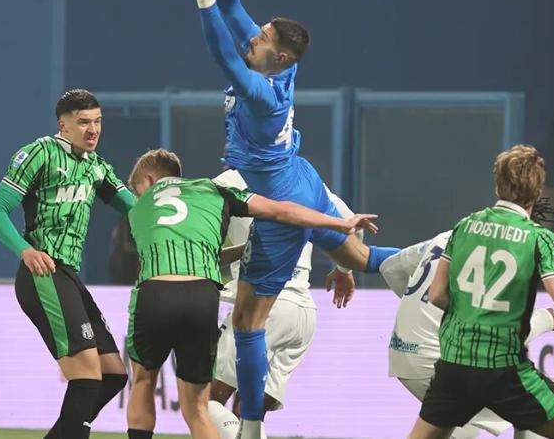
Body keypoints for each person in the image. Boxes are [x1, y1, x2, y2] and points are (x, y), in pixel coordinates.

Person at [173, 0, 398, 439]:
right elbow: (236, 9)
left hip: (281, 205)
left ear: (277, 56)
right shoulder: (277, 63)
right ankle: (433, 257)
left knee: (248, 322)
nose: (254, 36)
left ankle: (251, 431)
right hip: (303, 178)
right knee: (359, 258)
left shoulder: (262, 96)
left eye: (263, 37)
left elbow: (221, 52)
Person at [123, 149, 377, 439]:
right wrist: (344, 266)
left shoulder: (221, 184)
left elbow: (198, 248)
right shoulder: (305, 181)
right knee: (248, 412)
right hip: (303, 312)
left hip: (260, 305)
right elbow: (336, 221)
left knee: (199, 399)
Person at [408, 145, 554, 439]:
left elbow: (437, 295)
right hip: (504, 372)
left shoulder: (464, 226)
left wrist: (472, 314)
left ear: (497, 186)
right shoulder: (540, 239)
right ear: (538, 193)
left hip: (454, 367)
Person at [0, 89, 135, 439]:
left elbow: (135, 209)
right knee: (86, 377)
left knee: (112, 374)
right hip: (43, 273)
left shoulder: (96, 166)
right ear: (63, 125)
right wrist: (25, 250)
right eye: (83, 122)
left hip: (69, 277)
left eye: (97, 122)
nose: (93, 130)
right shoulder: (39, 153)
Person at [379, 226, 554, 439]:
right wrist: (545, 319)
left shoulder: (447, 236)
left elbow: (389, 269)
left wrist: (424, 311)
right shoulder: (503, 257)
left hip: (401, 354)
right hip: (437, 360)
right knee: (537, 409)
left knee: (464, 422)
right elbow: (500, 338)